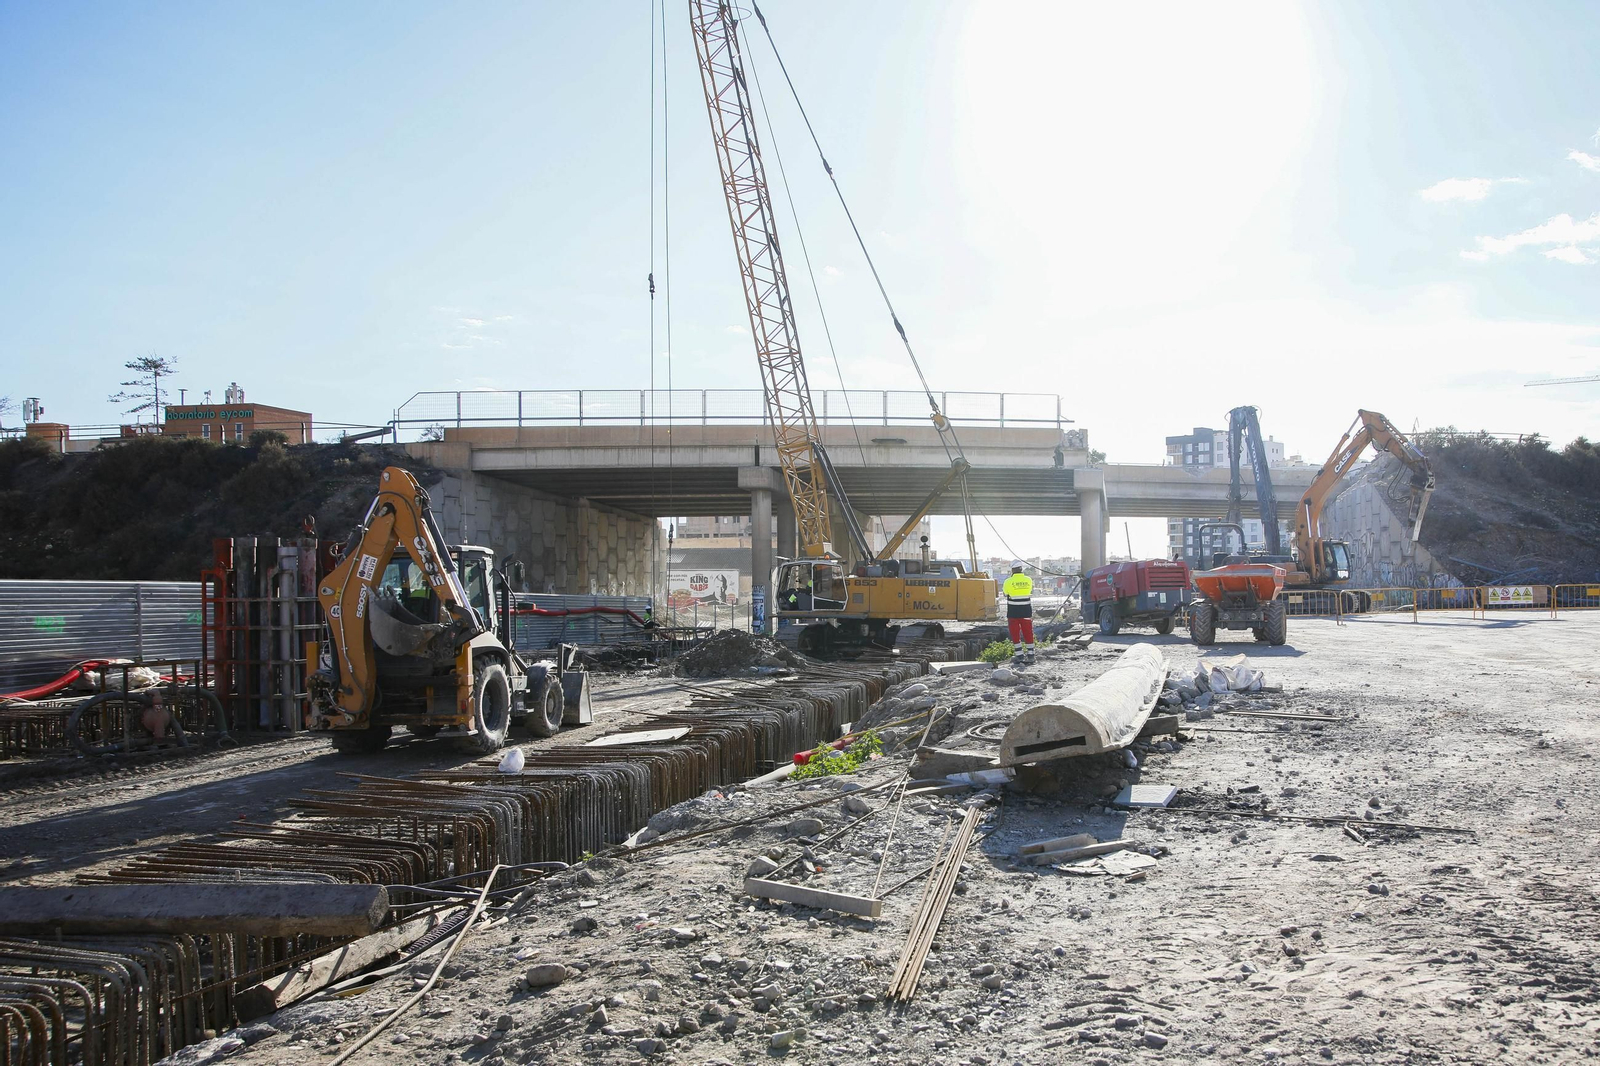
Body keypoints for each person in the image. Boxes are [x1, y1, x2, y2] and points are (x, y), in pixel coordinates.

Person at [1003, 562, 1035, 661]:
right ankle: (1031, 655)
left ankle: (1020, 655)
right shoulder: (1028, 580)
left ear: (1012, 570)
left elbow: (1005, 593)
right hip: (1026, 610)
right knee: (1028, 632)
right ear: (1021, 569)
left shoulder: (1008, 581)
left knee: (1015, 633)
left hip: (1013, 611)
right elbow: (1030, 591)